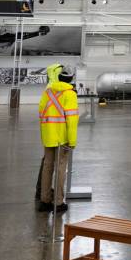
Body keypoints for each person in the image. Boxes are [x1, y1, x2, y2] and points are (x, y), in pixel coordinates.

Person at [37, 63, 79, 214]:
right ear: (71, 78)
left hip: (48, 135)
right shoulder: (70, 94)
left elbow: (41, 112)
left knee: (47, 167)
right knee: (61, 168)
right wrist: (72, 141)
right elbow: (72, 120)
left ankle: (44, 201)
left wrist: (45, 132)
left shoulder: (47, 92)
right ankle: (58, 202)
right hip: (62, 138)